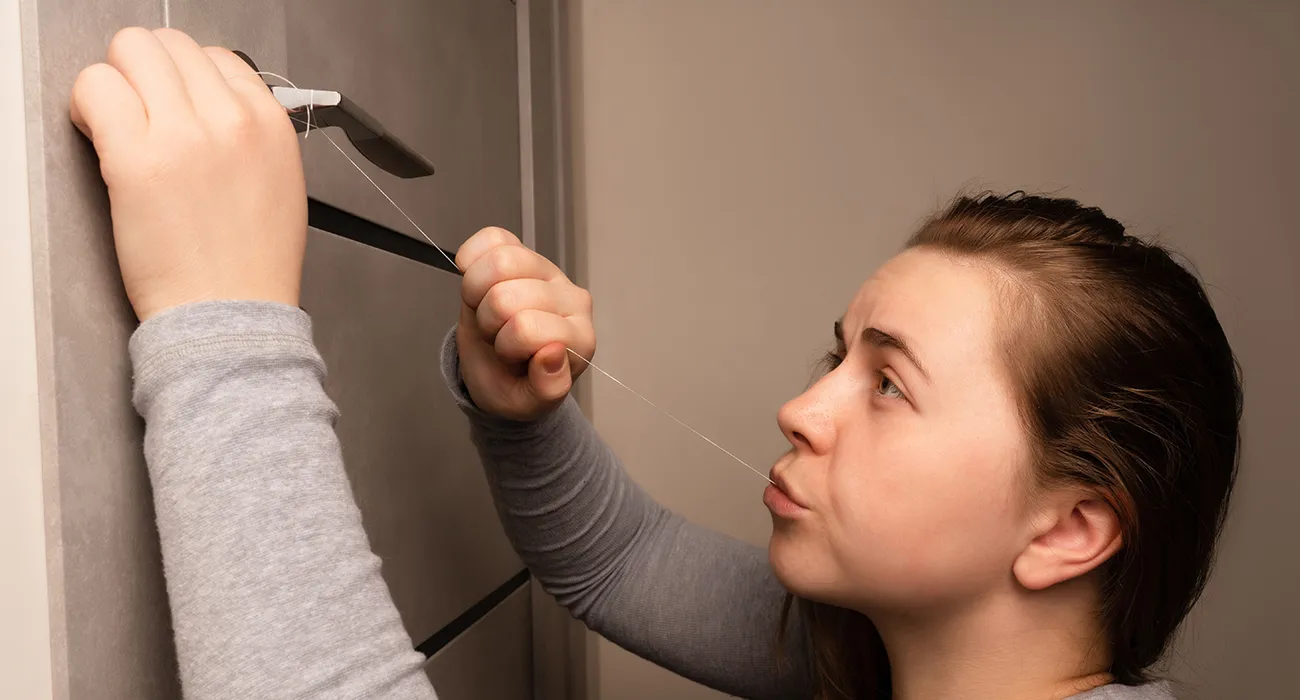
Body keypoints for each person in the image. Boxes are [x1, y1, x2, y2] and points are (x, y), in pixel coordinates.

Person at [69, 28, 1241, 700]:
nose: (798, 407)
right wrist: (519, 414)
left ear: (1068, 530)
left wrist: (222, 318)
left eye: (887, 384)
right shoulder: (878, 654)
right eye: (836, 356)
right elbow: (617, 561)